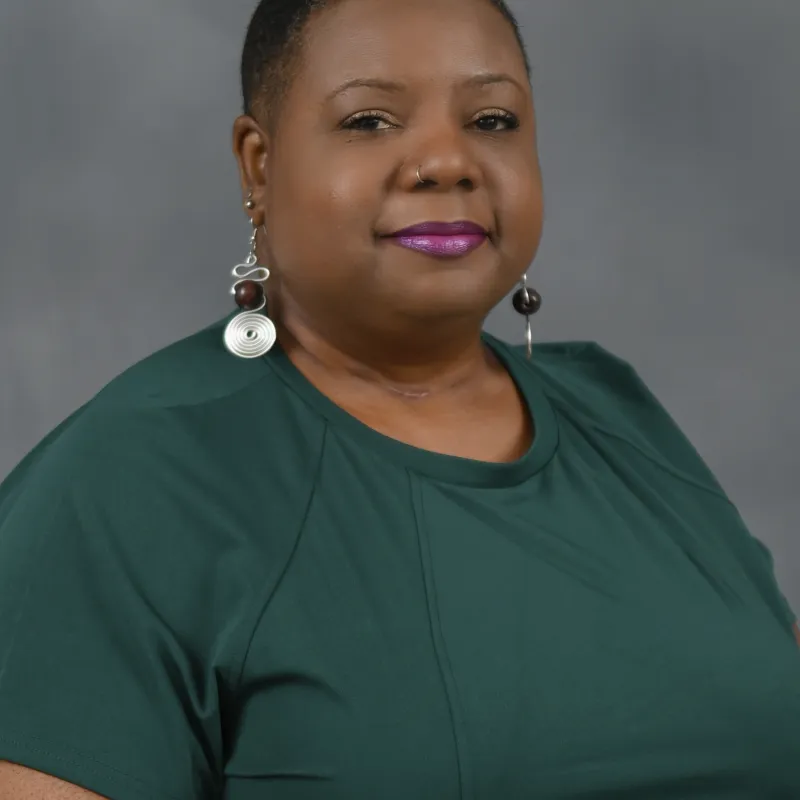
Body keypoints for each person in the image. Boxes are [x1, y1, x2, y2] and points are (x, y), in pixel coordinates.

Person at [1, 0, 799, 797]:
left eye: (491, 120)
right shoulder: (129, 483)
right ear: (259, 164)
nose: (447, 161)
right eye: (370, 121)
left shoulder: (616, 409)